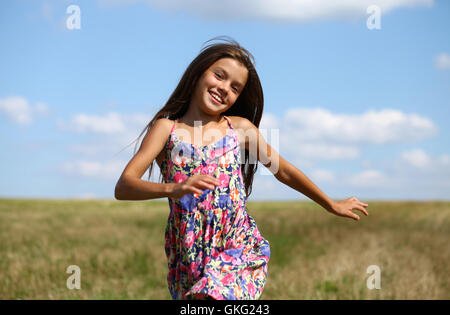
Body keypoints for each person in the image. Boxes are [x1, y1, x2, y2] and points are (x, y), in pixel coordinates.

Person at [114, 36, 369, 300]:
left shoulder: (241, 130)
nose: (224, 88)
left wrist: (330, 203)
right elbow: (124, 187)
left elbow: (283, 171)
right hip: (189, 252)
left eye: (235, 87)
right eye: (219, 76)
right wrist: (175, 188)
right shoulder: (166, 129)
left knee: (215, 295)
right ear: (199, 72)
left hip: (238, 247)